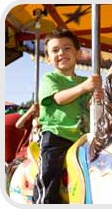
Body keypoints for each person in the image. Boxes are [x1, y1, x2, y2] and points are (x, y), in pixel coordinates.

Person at [32, 29, 103, 204]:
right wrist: (84, 88)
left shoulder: (83, 82)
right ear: (48, 58)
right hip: (56, 136)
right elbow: (59, 98)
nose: (61, 53)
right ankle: (42, 202)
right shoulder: (50, 79)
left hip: (83, 139)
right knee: (49, 174)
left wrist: (96, 97)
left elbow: (88, 106)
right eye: (55, 50)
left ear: (78, 53)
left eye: (67, 48)